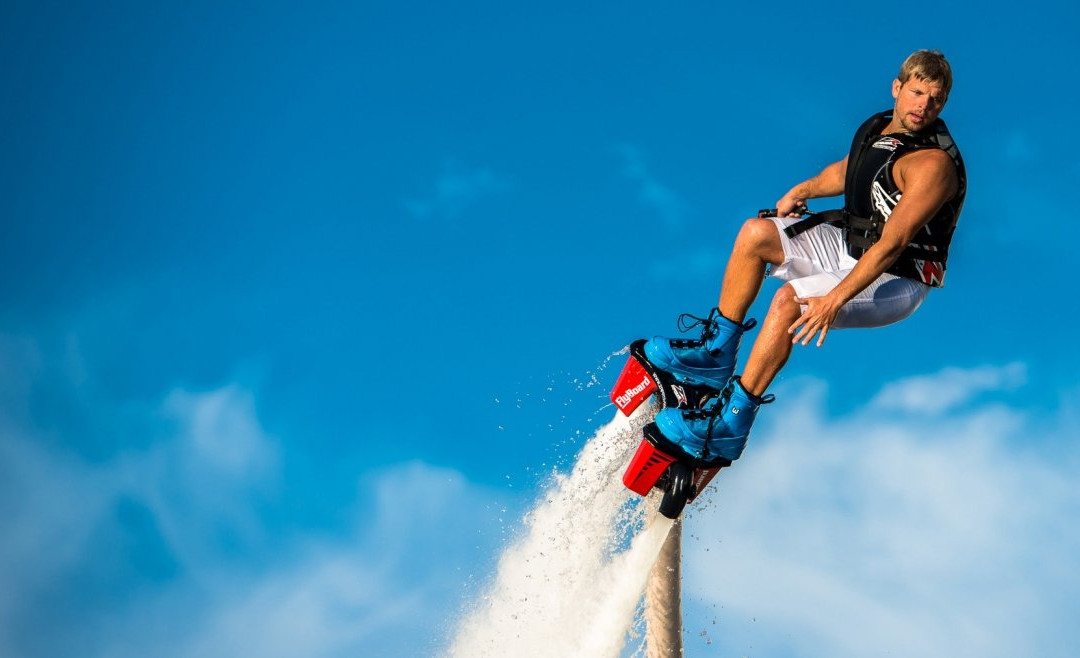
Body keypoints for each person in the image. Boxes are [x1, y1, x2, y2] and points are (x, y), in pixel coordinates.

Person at [643, 49, 966, 464]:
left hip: (898, 277)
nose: (924, 106)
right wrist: (802, 190)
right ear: (897, 88)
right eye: (918, 93)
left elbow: (893, 244)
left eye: (936, 99)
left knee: (789, 301)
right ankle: (714, 355)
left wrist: (834, 300)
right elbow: (850, 169)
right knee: (755, 234)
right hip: (853, 247)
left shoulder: (932, 164)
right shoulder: (880, 126)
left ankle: (727, 426)